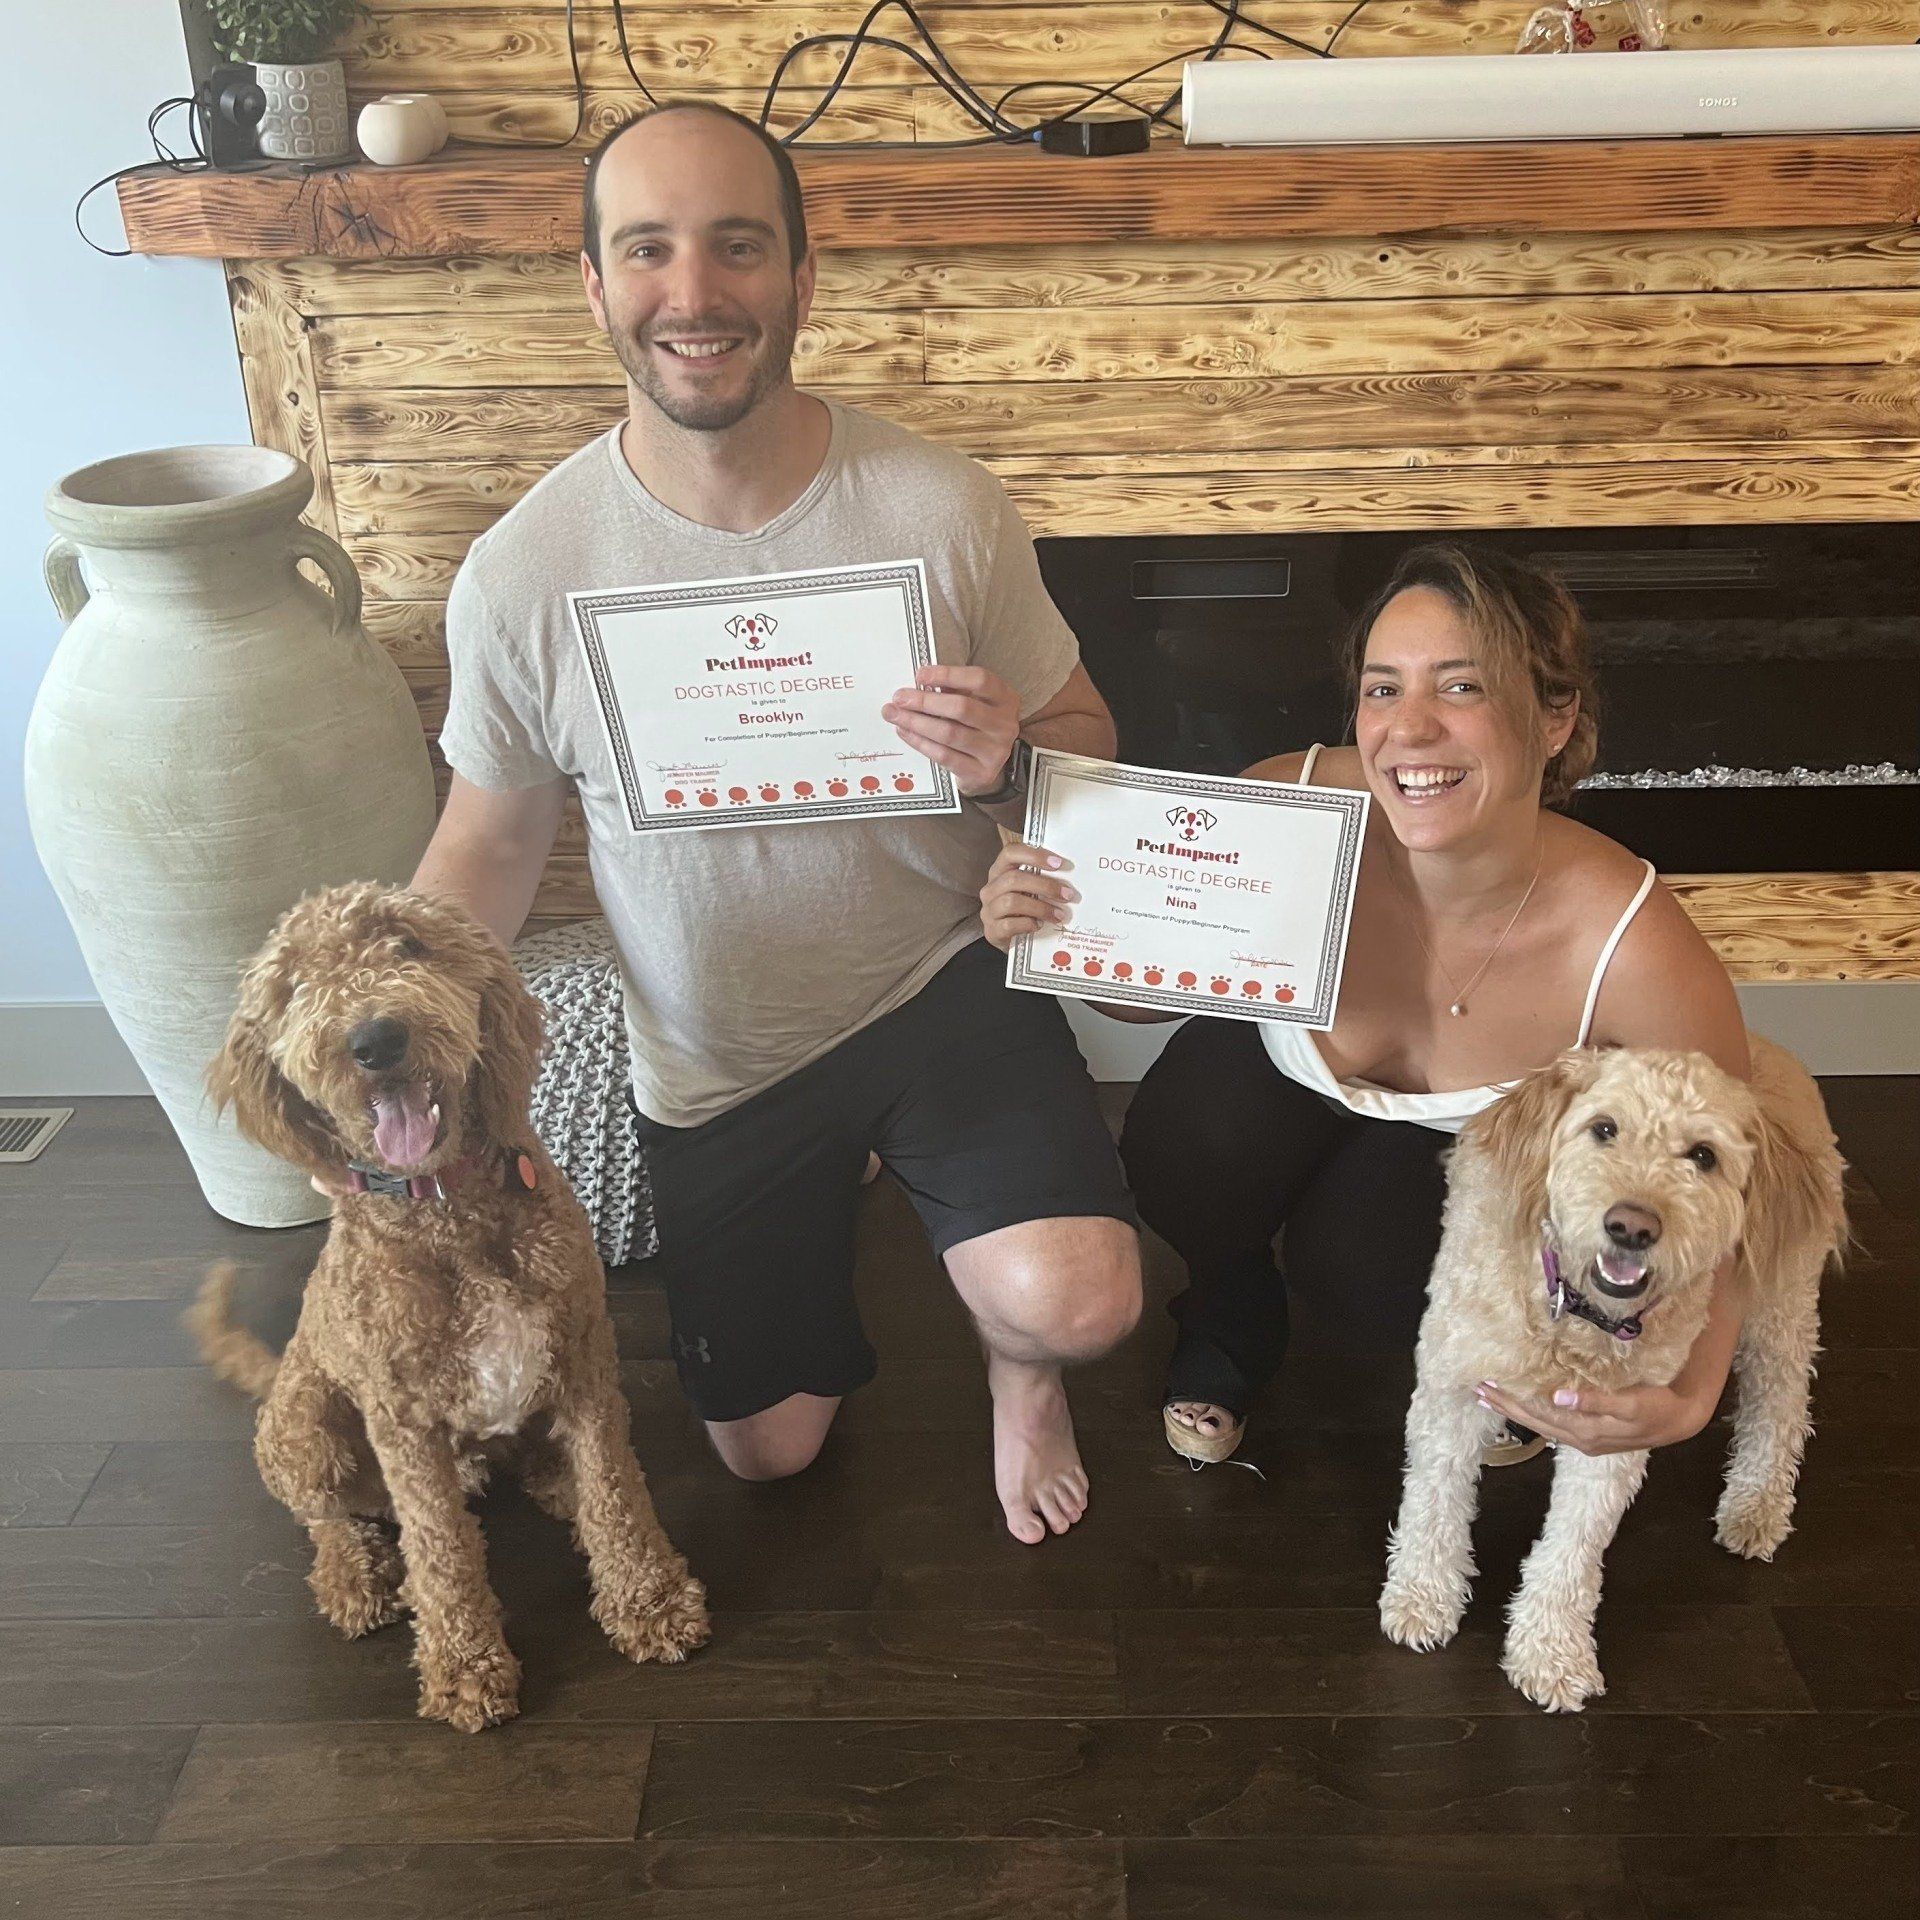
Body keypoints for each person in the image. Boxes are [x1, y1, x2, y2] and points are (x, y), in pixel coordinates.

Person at [408, 102, 1140, 1544]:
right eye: (649, 251)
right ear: (596, 286)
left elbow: (1086, 738)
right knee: (766, 1455)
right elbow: (486, 846)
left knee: (1082, 1305)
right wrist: (400, 1038)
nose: (695, 294)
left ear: (803, 279)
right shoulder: (521, 572)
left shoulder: (942, 508)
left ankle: (1016, 1370)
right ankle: (848, 1198)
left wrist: (1007, 771)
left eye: (738, 247)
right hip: (720, 1053)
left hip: (938, 988)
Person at [979, 542, 1749, 1467]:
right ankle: (1229, 1313)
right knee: (1181, 1148)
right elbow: (1144, 1006)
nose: (1409, 730)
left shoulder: (1630, 938)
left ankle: (1492, 1345)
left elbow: (1742, 1185)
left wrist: (1692, 1393)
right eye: (1384, 689)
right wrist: (1053, 922)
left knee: (1373, 1276)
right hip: (1276, 1086)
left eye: (1461, 688)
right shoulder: (1291, 800)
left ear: (1555, 716)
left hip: (1465, 1160)